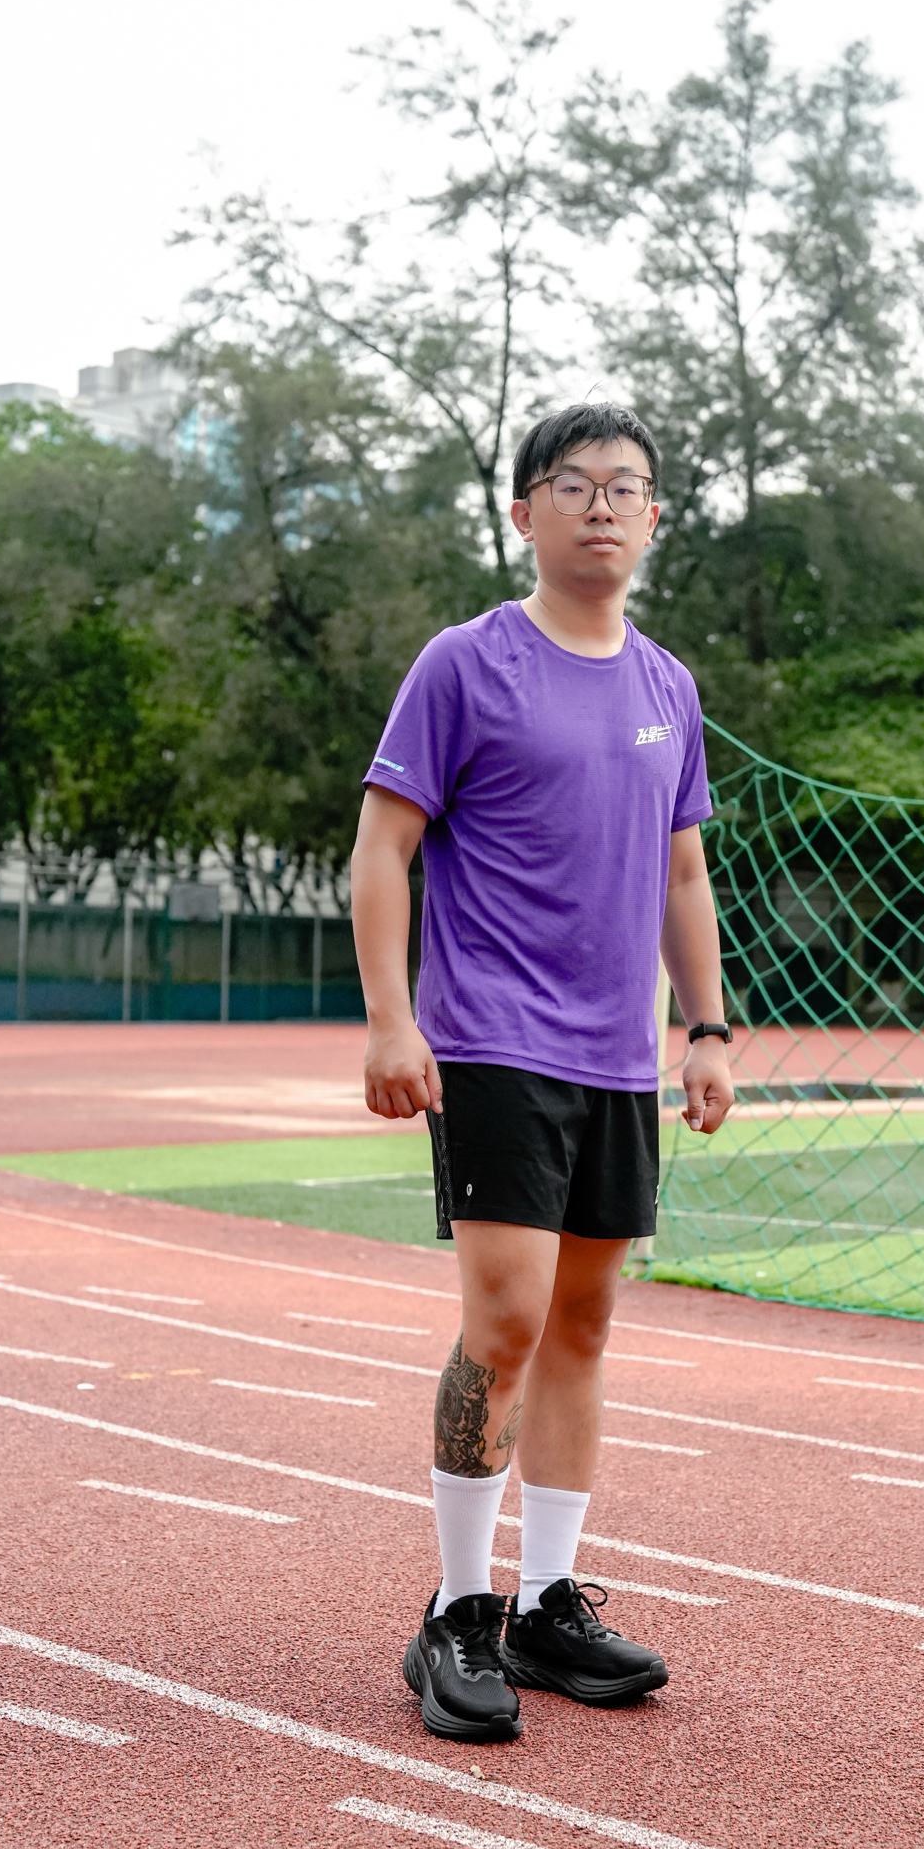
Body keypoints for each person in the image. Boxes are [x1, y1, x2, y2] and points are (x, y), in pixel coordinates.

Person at [350, 402, 735, 1744]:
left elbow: (683, 872)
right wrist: (391, 1022)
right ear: (525, 513)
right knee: (507, 1320)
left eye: (627, 485)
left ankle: (549, 1603)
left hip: (618, 1057)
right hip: (491, 1042)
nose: (602, 505)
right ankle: (459, 1611)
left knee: (582, 1327)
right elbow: (383, 846)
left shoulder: (667, 687)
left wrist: (708, 1029)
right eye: (573, 484)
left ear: (655, 517)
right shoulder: (465, 664)